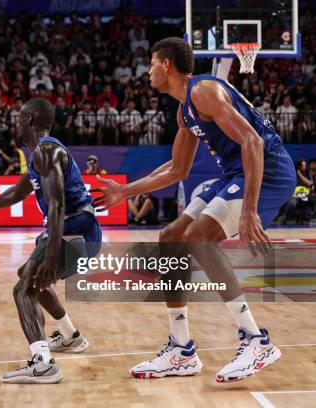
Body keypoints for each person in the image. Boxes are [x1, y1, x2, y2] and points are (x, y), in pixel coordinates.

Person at [93, 37, 294, 382]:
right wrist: (125, 191)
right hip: (235, 172)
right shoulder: (184, 108)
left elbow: (253, 142)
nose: (148, 72)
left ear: (166, 65)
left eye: (152, 63)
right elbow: (177, 170)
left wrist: (249, 210)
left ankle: (256, 339)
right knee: (171, 237)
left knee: (200, 237)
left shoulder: (203, 91)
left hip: (268, 170)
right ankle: (181, 350)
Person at [0, 98, 102, 384]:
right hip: (79, 229)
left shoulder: (46, 151)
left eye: (20, 115)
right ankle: (70, 336)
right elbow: (16, 193)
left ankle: (43, 363)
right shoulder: (42, 153)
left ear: (30, 120)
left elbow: (57, 205)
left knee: (23, 288)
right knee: (27, 278)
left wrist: (51, 257)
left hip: (73, 227)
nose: (16, 121)